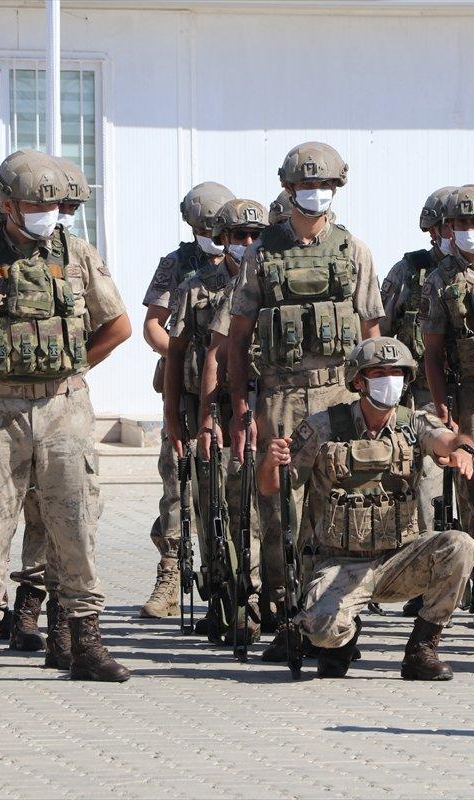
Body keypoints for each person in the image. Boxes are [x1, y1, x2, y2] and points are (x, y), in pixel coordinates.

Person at [0, 149, 132, 688]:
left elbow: (118, 325)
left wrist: (71, 365)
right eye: (32, 204)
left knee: (74, 522)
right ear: (7, 205)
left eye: (53, 205)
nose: (46, 213)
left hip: (63, 408)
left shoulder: (77, 254)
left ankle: (85, 642)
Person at [223, 142, 384, 660]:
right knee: (277, 510)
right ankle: (284, 618)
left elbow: (372, 332)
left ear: (336, 189)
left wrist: (372, 403)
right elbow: (238, 336)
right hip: (280, 396)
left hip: (340, 391)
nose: (315, 194)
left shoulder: (353, 250)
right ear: (288, 189)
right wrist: (241, 409)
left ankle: (337, 620)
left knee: (342, 508)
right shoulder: (261, 253)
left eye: (325, 186)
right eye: (306, 186)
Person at [259, 337, 474, 680]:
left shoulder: (414, 422)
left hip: (398, 560)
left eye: (397, 372)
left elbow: (449, 440)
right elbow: (271, 486)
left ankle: (422, 649)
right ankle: (343, 638)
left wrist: (463, 449)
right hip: (337, 562)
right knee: (322, 629)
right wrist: (270, 463)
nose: (389, 379)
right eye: (379, 372)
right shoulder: (323, 427)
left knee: (459, 545)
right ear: (358, 380)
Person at [165, 197, 270, 642]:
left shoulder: (270, 281)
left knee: (253, 506)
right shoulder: (196, 286)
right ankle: (220, 595)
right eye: (238, 236)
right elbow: (177, 356)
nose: (247, 243)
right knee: (211, 505)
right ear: (221, 239)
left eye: (254, 236)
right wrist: (175, 417)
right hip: (207, 407)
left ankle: (258, 597)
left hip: (256, 408)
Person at [140, 181, 235, 619]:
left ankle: (230, 577)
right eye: (205, 227)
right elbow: (153, 325)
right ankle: (172, 574)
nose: (213, 234)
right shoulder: (177, 265)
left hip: (232, 394)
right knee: (177, 486)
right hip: (186, 392)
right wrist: (181, 353)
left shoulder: (247, 260)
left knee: (229, 488)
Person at [421, 184, 474, 629]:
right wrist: (442, 406)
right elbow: (432, 351)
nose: (469, 231)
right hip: (471, 395)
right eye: (461, 224)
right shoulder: (440, 279)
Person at [381, 186, 457, 540]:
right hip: (424, 399)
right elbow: (379, 334)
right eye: (449, 226)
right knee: (430, 490)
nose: (458, 233)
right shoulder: (409, 272)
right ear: (432, 230)